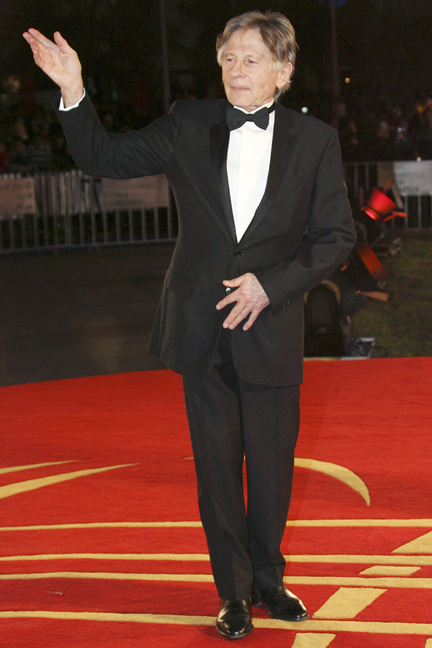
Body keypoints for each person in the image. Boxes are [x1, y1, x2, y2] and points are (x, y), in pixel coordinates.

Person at [24, 11, 356, 640]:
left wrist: (271, 285)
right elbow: (103, 155)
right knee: (216, 467)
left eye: (251, 59)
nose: (236, 69)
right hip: (202, 326)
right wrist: (73, 90)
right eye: (228, 57)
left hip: (273, 326)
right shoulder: (189, 121)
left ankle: (269, 578)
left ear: (282, 72)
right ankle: (232, 594)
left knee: (274, 467)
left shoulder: (316, 142)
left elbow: (336, 236)